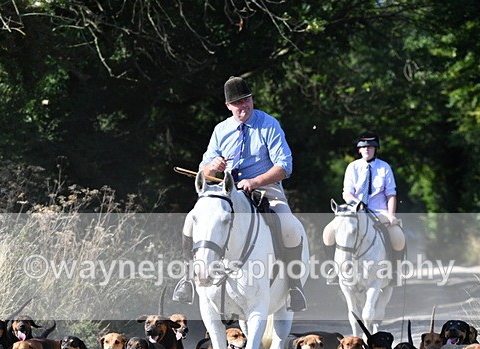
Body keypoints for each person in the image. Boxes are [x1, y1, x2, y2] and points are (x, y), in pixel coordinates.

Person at [172, 75, 307, 312]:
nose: (243, 106)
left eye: (246, 100)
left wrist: (255, 181)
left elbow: (285, 166)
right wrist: (213, 167)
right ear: (228, 106)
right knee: (190, 221)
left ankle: (294, 287)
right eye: (237, 103)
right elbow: (204, 169)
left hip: (265, 188)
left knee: (291, 228)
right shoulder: (220, 130)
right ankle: (188, 279)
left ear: (252, 99)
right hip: (225, 190)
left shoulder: (269, 124)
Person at [324, 131, 406, 284]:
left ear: (376, 149)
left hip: (378, 212)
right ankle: (334, 268)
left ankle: (394, 271)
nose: (367, 150)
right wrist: (357, 204)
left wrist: (391, 215)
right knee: (328, 233)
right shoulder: (352, 167)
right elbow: (347, 193)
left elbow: (391, 195)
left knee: (398, 238)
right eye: (364, 147)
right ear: (359, 150)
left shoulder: (384, 168)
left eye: (371, 147)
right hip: (355, 211)